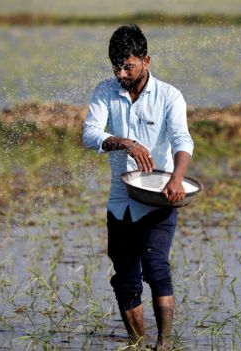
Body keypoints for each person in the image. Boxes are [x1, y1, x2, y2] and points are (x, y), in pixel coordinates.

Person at [82, 24, 194, 350]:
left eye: (128, 66)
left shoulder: (169, 96)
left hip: (159, 194)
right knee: (125, 277)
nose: (121, 73)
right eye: (116, 66)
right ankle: (137, 343)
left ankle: (165, 344)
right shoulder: (106, 91)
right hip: (121, 198)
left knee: (156, 266)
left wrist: (177, 179)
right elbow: (90, 135)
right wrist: (125, 143)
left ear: (146, 60)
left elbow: (182, 141)